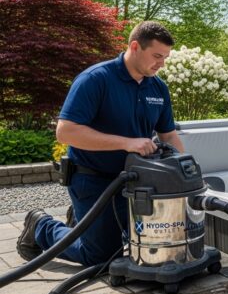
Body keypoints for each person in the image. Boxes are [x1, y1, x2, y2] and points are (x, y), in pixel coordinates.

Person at [16, 21, 184, 266]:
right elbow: (65, 132)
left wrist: (185, 170)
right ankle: (41, 226)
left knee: (144, 242)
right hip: (92, 179)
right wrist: (127, 143)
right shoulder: (96, 79)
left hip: (134, 181)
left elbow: (168, 136)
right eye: (157, 56)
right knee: (102, 257)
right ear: (135, 47)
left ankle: (81, 223)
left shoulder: (157, 87)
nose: (162, 63)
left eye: (165, 57)